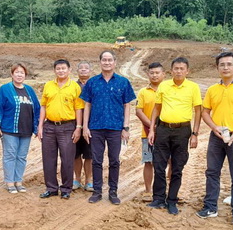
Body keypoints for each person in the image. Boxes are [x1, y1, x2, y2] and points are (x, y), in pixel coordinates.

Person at [197, 51, 233, 225]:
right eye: (222, 65)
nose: (225, 67)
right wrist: (214, 127)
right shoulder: (213, 90)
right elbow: (205, 112)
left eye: (229, 64)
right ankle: (210, 207)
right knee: (212, 172)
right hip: (217, 136)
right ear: (217, 68)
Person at [147, 57, 202, 215]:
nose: (178, 71)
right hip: (163, 130)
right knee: (159, 165)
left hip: (182, 131)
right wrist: (152, 130)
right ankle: (158, 198)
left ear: (187, 71)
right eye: (176, 68)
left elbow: (198, 111)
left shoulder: (193, 87)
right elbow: (156, 109)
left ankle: (172, 200)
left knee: (177, 167)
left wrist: (195, 134)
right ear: (171, 71)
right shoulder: (164, 86)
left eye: (182, 68)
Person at [81, 50, 136, 205]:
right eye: (104, 60)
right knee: (96, 160)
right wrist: (85, 126)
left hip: (115, 128)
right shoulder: (92, 82)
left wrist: (126, 127)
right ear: (100, 62)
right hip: (96, 127)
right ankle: (97, 191)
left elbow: (127, 105)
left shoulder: (123, 82)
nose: (106, 62)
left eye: (109, 60)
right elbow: (87, 104)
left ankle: (113, 191)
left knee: (114, 161)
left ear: (115, 62)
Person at [38, 60, 84, 199]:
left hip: (68, 127)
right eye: (58, 68)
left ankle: (66, 189)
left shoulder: (75, 86)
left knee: (67, 159)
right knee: (48, 159)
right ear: (54, 70)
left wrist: (78, 127)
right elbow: (44, 106)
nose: (61, 71)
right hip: (49, 126)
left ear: (69, 70)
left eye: (64, 68)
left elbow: (78, 108)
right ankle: (51, 188)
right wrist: (40, 125)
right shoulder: (48, 85)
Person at [0, 63, 41, 194]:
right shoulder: (5, 89)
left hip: (26, 130)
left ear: (25, 75)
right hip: (9, 130)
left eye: (22, 73)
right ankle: (9, 182)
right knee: (10, 155)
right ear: (12, 74)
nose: (19, 75)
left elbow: (37, 108)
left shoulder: (29, 90)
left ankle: (18, 181)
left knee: (22, 156)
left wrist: (37, 127)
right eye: (17, 72)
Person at [136, 62, 165, 202]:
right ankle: (148, 190)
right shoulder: (143, 92)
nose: (154, 75)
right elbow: (138, 111)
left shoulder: (168, 90)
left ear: (163, 74)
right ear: (148, 74)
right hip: (147, 133)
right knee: (148, 161)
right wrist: (152, 126)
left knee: (169, 161)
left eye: (157, 72)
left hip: (166, 133)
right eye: (152, 73)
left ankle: (168, 190)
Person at [73, 61, 93, 191]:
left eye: (86, 68)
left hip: (92, 124)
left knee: (89, 154)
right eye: (81, 68)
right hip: (74, 124)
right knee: (76, 154)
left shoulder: (95, 84)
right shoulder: (73, 86)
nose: (84, 70)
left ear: (90, 71)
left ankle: (89, 180)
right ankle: (77, 179)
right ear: (77, 71)